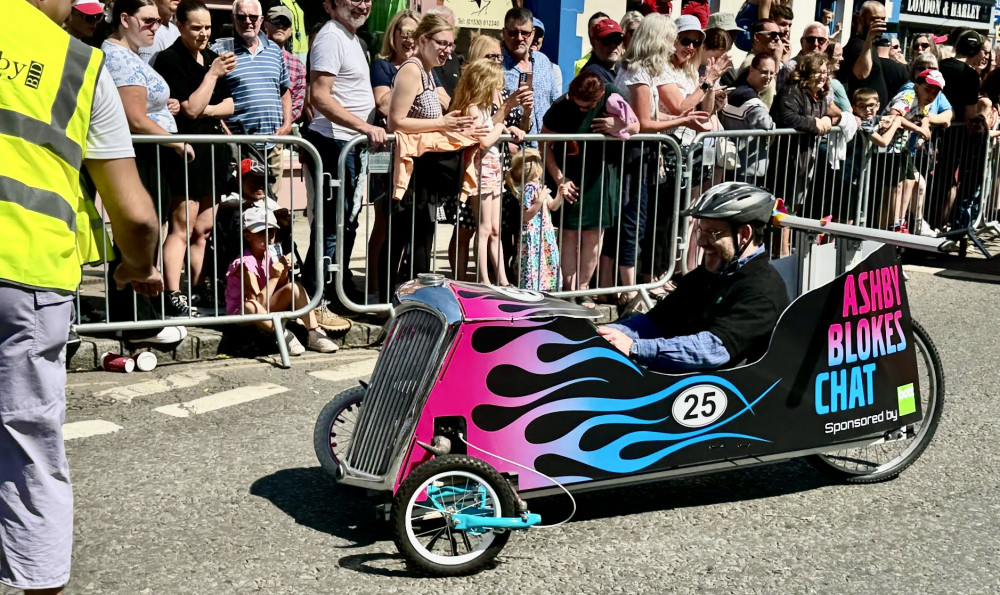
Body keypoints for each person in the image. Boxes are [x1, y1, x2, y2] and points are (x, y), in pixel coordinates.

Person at [2, 2, 163, 593]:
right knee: (28, 444)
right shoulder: (79, 65)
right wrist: (135, 267)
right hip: (27, 274)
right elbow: (137, 216)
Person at [598, 183, 789, 373]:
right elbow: (655, 322)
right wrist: (606, 334)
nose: (701, 242)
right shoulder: (705, 275)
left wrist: (634, 347)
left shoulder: (762, 288)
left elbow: (714, 349)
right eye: (700, 230)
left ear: (744, 234)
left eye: (712, 233)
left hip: (733, 393)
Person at [383, 13, 479, 299]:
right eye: (441, 43)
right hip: (409, 170)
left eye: (451, 45)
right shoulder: (412, 70)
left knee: (422, 238)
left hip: (424, 169)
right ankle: (391, 301)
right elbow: (396, 122)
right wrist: (443, 123)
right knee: (400, 238)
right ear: (423, 40)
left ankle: (414, 300)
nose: (447, 50)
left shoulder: (428, 71)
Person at [299, 0, 381, 324]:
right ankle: (315, 302)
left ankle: (334, 294)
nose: (362, 4)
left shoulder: (353, 39)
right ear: (330, 5)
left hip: (350, 145)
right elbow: (320, 94)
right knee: (331, 226)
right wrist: (364, 126)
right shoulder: (331, 36)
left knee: (346, 223)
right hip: (334, 142)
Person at [153, 0, 236, 311]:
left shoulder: (213, 57)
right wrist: (211, 77)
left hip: (212, 150)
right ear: (180, 26)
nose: (204, 34)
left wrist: (207, 107)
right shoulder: (169, 60)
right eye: (196, 28)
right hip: (186, 152)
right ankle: (172, 292)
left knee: (203, 228)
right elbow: (189, 109)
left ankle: (198, 288)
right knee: (182, 227)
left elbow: (229, 105)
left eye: (208, 27)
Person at [542, 71, 637, 304]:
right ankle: (568, 288)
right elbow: (544, 144)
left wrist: (619, 124)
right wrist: (559, 179)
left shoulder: (612, 95)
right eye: (580, 105)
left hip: (601, 178)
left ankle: (583, 289)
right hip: (570, 177)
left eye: (589, 106)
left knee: (593, 237)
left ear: (601, 95)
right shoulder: (561, 106)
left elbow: (636, 127)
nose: (584, 110)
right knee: (569, 234)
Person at [450, 59, 525, 286]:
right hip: (480, 172)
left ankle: (501, 279)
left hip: (492, 170)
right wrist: (501, 127)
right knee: (483, 228)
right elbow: (484, 141)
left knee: (494, 228)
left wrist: (504, 126)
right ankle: (484, 279)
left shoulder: (482, 108)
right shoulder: (472, 108)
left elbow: (491, 130)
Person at [226, 206, 337, 355]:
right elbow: (257, 304)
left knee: (294, 287)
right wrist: (274, 277)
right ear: (247, 236)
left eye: (271, 231)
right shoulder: (244, 264)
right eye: (261, 232)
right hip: (244, 313)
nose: (268, 236)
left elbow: (281, 287)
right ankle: (283, 333)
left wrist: (283, 272)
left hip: (265, 307)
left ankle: (314, 332)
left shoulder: (269, 255)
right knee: (251, 305)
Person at [223, 0, 292, 196]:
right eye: (241, 17)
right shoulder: (222, 52)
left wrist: (287, 123)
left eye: (253, 17)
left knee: (271, 203)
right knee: (243, 203)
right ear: (233, 19)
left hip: (272, 143)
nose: (248, 22)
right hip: (239, 145)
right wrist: (225, 133)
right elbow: (214, 96)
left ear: (261, 20)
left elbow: (284, 90)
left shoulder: (274, 51)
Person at [885, 69, 950, 233]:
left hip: (902, 147)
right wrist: (918, 129)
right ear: (917, 86)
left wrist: (925, 126)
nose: (931, 95)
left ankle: (900, 222)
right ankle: (893, 225)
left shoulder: (924, 103)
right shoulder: (908, 95)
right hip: (887, 147)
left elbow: (925, 117)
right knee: (896, 188)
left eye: (935, 93)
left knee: (911, 181)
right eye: (928, 89)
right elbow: (894, 117)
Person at [769, 53, 833, 216]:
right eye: (817, 71)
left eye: (825, 72)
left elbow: (827, 115)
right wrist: (813, 123)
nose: (822, 76)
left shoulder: (820, 95)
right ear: (806, 72)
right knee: (781, 207)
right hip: (787, 159)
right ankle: (780, 242)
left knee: (794, 207)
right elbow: (786, 117)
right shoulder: (792, 91)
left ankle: (786, 242)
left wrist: (826, 118)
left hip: (806, 159)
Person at [512, 149, 568, 291]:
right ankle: (532, 289)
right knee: (533, 264)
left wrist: (559, 195)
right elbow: (526, 215)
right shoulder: (528, 189)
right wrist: (538, 201)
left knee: (546, 262)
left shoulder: (540, 187)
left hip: (544, 233)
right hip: (533, 234)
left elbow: (553, 206)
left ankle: (546, 288)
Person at [501, 7, 558, 137]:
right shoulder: (496, 66)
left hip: (544, 148)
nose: (519, 38)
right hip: (512, 148)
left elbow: (554, 100)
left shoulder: (543, 61)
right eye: (513, 33)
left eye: (524, 33)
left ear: (532, 33)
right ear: (504, 33)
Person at [720, 52, 776, 185]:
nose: (768, 77)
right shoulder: (748, 97)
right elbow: (768, 125)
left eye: (772, 73)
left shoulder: (736, 88)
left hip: (733, 164)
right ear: (751, 70)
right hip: (745, 168)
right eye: (764, 72)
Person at [839, 1, 891, 104]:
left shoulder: (870, 44)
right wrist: (868, 41)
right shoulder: (857, 45)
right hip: (862, 111)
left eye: (883, 19)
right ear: (861, 19)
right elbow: (861, 74)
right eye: (874, 19)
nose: (879, 23)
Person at [263, 5, 306, 122]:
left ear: (290, 31)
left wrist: (282, 125)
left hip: (281, 132)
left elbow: (297, 105)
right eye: (276, 21)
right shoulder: (252, 55)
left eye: (285, 23)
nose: (281, 26)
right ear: (265, 25)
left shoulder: (298, 66)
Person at [730, 19, 784, 108]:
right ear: (757, 37)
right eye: (772, 35)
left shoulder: (766, 61)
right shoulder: (751, 63)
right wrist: (777, 59)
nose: (777, 38)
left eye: (779, 35)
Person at [778, 22, 829, 90]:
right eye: (810, 39)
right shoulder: (791, 68)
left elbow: (829, 98)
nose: (815, 44)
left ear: (827, 44)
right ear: (802, 42)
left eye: (821, 40)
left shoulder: (825, 67)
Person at [580, 18, 625, 86]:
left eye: (617, 39)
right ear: (594, 43)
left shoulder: (620, 67)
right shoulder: (592, 75)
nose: (613, 45)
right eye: (607, 40)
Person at [574, 12, 610, 77]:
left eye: (605, 26)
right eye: (595, 29)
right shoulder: (583, 65)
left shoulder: (618, 62)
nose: (600, 30)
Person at [532, 17, 562, 93]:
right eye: (531, 34)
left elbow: (556, 100)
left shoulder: (553, 69)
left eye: (538, 34)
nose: (535, 38)